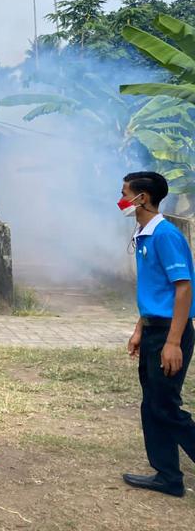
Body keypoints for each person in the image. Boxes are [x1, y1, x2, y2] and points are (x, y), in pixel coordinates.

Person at [120, 171, 195, 497]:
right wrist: (140, 328)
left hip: (169, 332)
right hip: (153, 328)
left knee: (165, 406)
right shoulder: (143, 233)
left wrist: (173, 342)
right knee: (152, 405)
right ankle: (167, 476)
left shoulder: (165, 235)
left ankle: (169, 474)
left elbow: (183, 288)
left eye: (125, 193)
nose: (121, 199)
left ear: (143, 198)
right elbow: (154, 289)